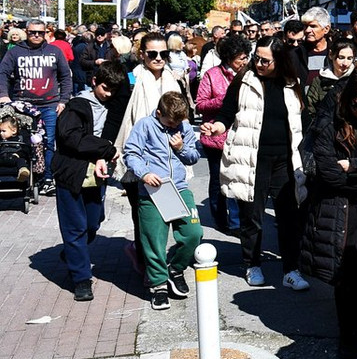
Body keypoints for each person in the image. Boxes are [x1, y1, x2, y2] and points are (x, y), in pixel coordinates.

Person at [202, 36, 309, 290]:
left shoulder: (293, 83)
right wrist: (216, 127)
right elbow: (226, 114)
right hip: (252, 158)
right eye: (257, 58)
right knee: (252, 215)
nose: (259, 63)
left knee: (288, 215)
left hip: (286, 159)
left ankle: (291, 270)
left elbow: (302, 120)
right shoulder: (244, 81)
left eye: (265, 60)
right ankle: (252, 264)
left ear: (280, 60)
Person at [300, 72, 357, 359]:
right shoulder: (330, 124)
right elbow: (328, 173)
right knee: (346, 274)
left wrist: (353, 165)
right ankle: (347, 331)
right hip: (338, 203)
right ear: (347, 102)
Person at [122, 92, 202, 312]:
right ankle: (158, 285)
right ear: (159, 113)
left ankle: (175, 268)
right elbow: (131, 153)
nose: (175, 125)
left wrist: (181, 148)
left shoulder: (183, 127)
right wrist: (144, 173)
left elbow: (194, 156)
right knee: (154, 240)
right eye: (170, 122)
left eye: (179, 122)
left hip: (179, 187)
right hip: (152, 189)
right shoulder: (146, 125)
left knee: (193, 233)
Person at [53, 62, 126, 302]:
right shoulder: (77, 107)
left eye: (113, 90)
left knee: (93, 223)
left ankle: (74, 255)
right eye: (106, 88)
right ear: (94, 82)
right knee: (75, 228)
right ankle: (81, 279)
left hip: (95, 176)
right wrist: (106, 148)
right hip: (71, 174)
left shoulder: (111, 104)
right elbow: (71, 138)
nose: (109, 94)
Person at [0, 17, 72, 194]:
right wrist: (3, 96)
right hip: (22, 106)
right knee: (23, 141)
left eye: (41, 32)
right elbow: (3, 72)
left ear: (46, 33)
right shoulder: (15, 52)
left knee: (48, 142)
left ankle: (47, 178)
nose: (37, 36)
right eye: (33, 32)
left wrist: (63, 101)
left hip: (49, 105)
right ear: (27, 32)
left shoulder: (54, 51)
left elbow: (65, 77)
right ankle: (25, 174)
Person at [195, 35, 250, 233]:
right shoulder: (212, 75)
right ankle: (220, 218)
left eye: (246, 57)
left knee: (238, 179)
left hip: (241, 137)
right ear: (229, 57)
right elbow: (200, 104)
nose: (244, 62)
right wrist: (223, 101)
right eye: (240, 58)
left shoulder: (249, 75)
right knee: (218, 180)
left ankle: (237, 221)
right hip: (216, 137)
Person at [305, 39, 355, 114]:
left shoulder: (356, 80)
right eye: (341, 57)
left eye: (349, 58)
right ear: (331, 55)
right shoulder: (319, 81)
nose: (345, 63)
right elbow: (311, 109)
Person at [299, 6, 333, 85]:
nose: (307, 30)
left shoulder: (336, 52)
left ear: (326, 29)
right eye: (305, 26)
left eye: (313, 26)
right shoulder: (298, 53)